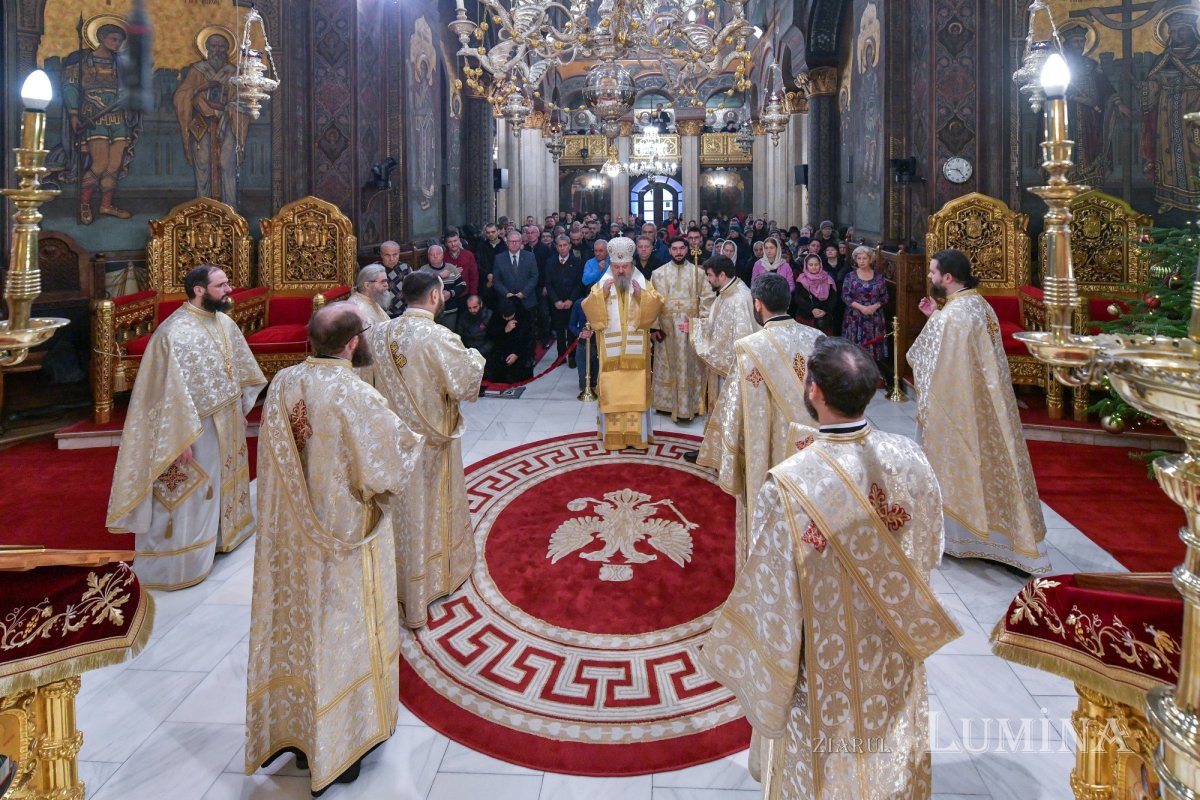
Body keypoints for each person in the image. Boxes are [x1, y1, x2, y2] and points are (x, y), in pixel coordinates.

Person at [699, 336, 961, 800]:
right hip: (892, 641)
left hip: (823, 657)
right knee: (889, 753)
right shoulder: (911, 457)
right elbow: (929, 549)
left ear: (814, 391)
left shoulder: (788, 485)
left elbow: (774, 597)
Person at [245, 304, 424, 796]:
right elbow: (388, 467)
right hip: (345, 537)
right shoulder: (357, 394)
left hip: (290, 537)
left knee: (299, 624)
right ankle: (344, 743)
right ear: (352, 343)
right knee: (342, 626)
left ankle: (299, 732)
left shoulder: (283, 383)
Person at [106, 265, 266, 590]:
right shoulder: (172, 334)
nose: (229, 290)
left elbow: (239, 370)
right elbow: (163, 393)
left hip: (226, 420)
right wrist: (177, 439)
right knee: (191, 492)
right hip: (192, 428)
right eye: (221, 285)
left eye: (227, 283)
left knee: (222, 483)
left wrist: (239, 407)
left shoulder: (224, 322)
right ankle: (180, 562)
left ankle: (223, 538)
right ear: (199, 290)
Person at [907, 249, 1051, 574]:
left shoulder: (954, 315)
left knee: (961, 463)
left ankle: (964, 539)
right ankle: (994, 540)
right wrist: (935, 317)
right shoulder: (978, 304)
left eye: (933, 272)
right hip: (989, 405)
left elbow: (930, 361)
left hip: (961, 408)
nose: (929, 276)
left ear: (947, 277)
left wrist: (937, 320)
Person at [369, 271, 485, 626]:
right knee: (430, 505)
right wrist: (476, 357)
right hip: (432, 444)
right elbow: (466, 384)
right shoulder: (439, 337)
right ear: (435, 296)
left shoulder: (379, 333)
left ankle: (399, 579)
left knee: (402, 509)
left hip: (395, 440)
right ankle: (432, 577)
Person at [712, 272, 822, 567]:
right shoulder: (818, 339)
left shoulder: (750, 348)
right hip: (813, 450)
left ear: (757, 304)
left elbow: (734, 412)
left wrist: (731, 459)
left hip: (770, 453)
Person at [581, 237, 665, 450]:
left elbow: (657, 303)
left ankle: (637, 437)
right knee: (613, 392)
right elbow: (588, 307)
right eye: (616, 267)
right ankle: (613, 437)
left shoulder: (641, 282)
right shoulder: (602, 284)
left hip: (636, 357)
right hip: (612, 357)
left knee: (636, 392)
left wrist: (641, 296)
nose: (620, 271)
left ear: (631, 264)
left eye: (624, 266)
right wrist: (601, 295)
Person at [59, 23, 139, 224]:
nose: (117, 44)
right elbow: (70, 86)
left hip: (118, 117)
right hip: (94, 117)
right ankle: (85, 204)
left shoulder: (120, 64)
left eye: (120, 41)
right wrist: (74, 114)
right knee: (100, 163)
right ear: (101, 38)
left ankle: (106, 205)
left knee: (114, 165)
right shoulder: (82, 61)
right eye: (114, 39)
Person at [684, 255, 757, 465]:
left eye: (709, 275)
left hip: (730, 371)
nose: (708, 279)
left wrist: (697, 333)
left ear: (722, 275)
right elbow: (716, 325)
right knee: (717, 411)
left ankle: (726, 458)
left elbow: (741, 338)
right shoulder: (727, 293)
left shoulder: (739, 298)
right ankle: (713, 450)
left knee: (727, 413)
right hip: (722, 367)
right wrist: (695, 327)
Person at [174, 30, 246, 206]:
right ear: (206, 48)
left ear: (228, 49)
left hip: (228, 123)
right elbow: (181, 95)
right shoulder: (197, 70)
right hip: (201, 124)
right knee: (203, 163)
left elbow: (242, 100)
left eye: (222, 46)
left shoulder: (233, 72)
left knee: (227, 163)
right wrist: (201, 89)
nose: (217, 50)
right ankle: (204, 205)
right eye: (214, 46)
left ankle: (229, 207)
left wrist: (225, 107)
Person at [650, 236, 711, 422]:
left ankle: (689, 405)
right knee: (667, 366)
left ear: (687, 250)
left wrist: (698, 324)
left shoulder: (698, 273)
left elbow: (707, 300)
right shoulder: (657, 274)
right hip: (666, 330)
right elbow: (652, 302)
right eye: (674, 249)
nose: (678, 252)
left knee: (689, 366)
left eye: (681, 248)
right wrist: (654, 328)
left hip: (689, 329)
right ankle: (667, 405)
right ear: (669, 250)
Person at [840, 244, 890, 385]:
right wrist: (861, 308)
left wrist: (875, 306)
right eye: (858, 258)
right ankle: (854, 375)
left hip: (874, 317)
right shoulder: (850, 276)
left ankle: (872, 375)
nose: (861, 261)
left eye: (864, 258)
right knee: (855, 348)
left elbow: (885, 296)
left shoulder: (879, 277)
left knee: (873, 347)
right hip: (855, 317)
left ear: (870, 259)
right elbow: (845, 296)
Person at [346, 263, 391, 385]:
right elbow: (366, 344)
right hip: (365, 366)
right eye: (382, 282)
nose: (386, 285)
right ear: (367, 285)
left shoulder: (370, 300)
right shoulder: (359, 308)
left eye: (386, 281)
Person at [546, 234, 584, 367]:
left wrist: (571, 300)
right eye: (560, 246)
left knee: (571, 329)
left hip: (571, 303)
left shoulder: (577, 262)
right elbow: (548, 284)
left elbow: (579, 284)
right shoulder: (550, 262)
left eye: (565, 245)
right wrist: (556, 300)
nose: (562, 248)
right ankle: (561, 356)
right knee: (559, 330)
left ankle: (572, 356)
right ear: (556, 247)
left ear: (569, 246)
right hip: (556, 303)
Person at [484, 299, 535, 383]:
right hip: (502, 353)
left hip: (521, 353)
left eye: (509, 316)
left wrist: (516, 354)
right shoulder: (497, 315)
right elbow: (491, 335)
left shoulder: (525, 315)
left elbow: (528, 339)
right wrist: (504, 330)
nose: (507, 319)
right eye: (505, 317)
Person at [420, 245, 466, 330]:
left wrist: (450, 293)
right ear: (428, 256)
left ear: (442, 255)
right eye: (432, 254)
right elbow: (420, 288)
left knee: (449, 335)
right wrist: (439, 276)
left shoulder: (451, 267)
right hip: (431, 312)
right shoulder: (423, 270)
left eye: (438, 254)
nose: (435, 256)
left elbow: (462, 285)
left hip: (450, 311)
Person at [493, 229, 539, 315]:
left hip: (527, 302)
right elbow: (497, 280)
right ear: (507, 243)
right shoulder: (499, 258)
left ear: (521, 242)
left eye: (516, 241)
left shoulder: (530, 256)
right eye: (511, 241)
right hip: (507, 302)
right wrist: (506, 293)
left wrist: (524, 293)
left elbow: (534, 277)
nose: (514, 244)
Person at [793, 253, 840, 335]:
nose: (814, 267)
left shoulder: (828, 279)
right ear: (806, 266)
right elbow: (798, 299)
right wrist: (812, 310)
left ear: (820, 265)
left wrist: (825, 310)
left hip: (823, 319)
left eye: (816, 264)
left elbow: (833, 298)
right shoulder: (801, 280)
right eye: (811, 265)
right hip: (805, 317)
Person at [568, 297, 599, 398]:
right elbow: (572, 325)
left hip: (599, 345)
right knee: (583, 383)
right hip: (583, 344)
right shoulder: (579, 303)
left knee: (596, 379)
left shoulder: (605, 302)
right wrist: (580, 333)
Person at [443, 227, 479, 296]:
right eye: (450, 242)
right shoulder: (442, 257)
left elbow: (474, 276)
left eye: (455, 241)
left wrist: (473, 294)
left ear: (459, 240)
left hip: (465, 293)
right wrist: (453, 272)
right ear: (446, 243)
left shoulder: (468, 255)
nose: (453, 244)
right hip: (448, 294)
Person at [379, 240, 409, 317]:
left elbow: (413, 290)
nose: (391, 259)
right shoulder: (374, 269)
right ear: (381, 255)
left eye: (395, 254)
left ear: (399, 254)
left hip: (403, 312)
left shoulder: (405, 268)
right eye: (387, 255)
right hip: (381, 314)